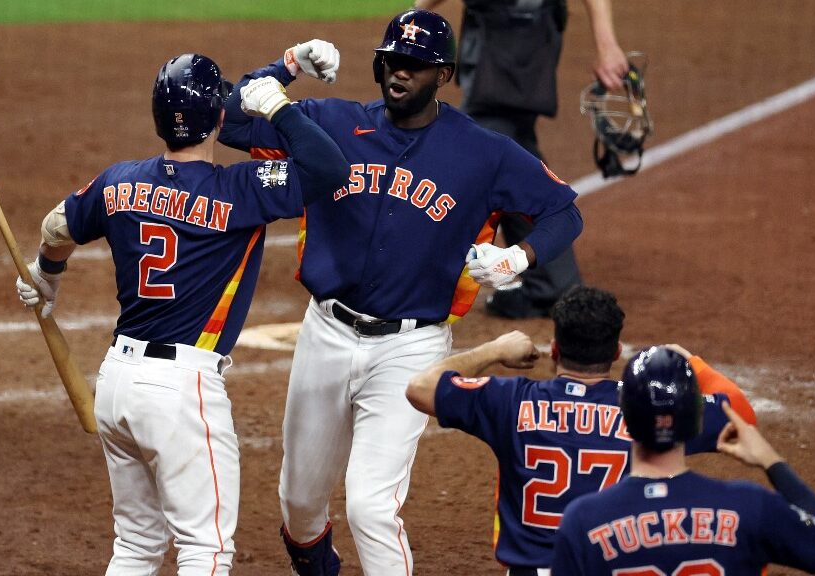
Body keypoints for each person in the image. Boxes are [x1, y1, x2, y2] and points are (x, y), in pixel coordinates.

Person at [218, 10, 584, 575]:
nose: (399, 74)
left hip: (411, 349)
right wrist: (287, 66)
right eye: (392, 62)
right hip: (326, 332)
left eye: (414, 66)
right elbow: (233, 121)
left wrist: (520, 255)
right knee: (299, 505)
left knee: (370, 505)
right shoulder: (331, 125)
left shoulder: (482, 153)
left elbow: (563, 210)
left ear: (442, 75)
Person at [14, 53, 348, 575]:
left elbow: (57, 227)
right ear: (219, 120)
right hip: (181, 393)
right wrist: (280, 106)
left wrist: (45, 275)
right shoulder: (243, 187)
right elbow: (329, 169)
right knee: (205, 549)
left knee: (136, 546)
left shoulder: (117, 181)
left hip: (119, 382)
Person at [405, 286, 757, 574]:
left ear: (555, 350)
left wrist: (493, 350)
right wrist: (689, 362)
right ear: (617, 351)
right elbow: (740, 417)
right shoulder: (647, 407)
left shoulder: (509, 400)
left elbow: (421, 386)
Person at [551, 346, 815, 575]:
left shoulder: (583, 522)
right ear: (698, 421)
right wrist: (771, 461)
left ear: (624, 419)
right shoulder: (748, 506)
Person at [415, 0, 630, 318]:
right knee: (508, 139)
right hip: (519, 29)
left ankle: (554, 283)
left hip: (514, 33)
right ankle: (549, 281)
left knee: (489, 149)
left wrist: (412, 18)